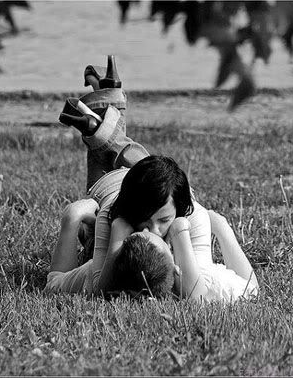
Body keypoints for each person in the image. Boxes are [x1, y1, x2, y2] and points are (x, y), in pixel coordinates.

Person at [45, 57, 259, 302]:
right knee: (92, 227)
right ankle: (102, 116)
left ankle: (104, 110)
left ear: (178, 210)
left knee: (89, 233)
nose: (153, 231)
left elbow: (98, 289)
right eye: (145, 221)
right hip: (115, 189)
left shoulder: (191, 216)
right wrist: (119, 229)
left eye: (164, 220)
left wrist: (78, 219)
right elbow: (199, 294)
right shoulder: (115, 214)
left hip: (120, 184)